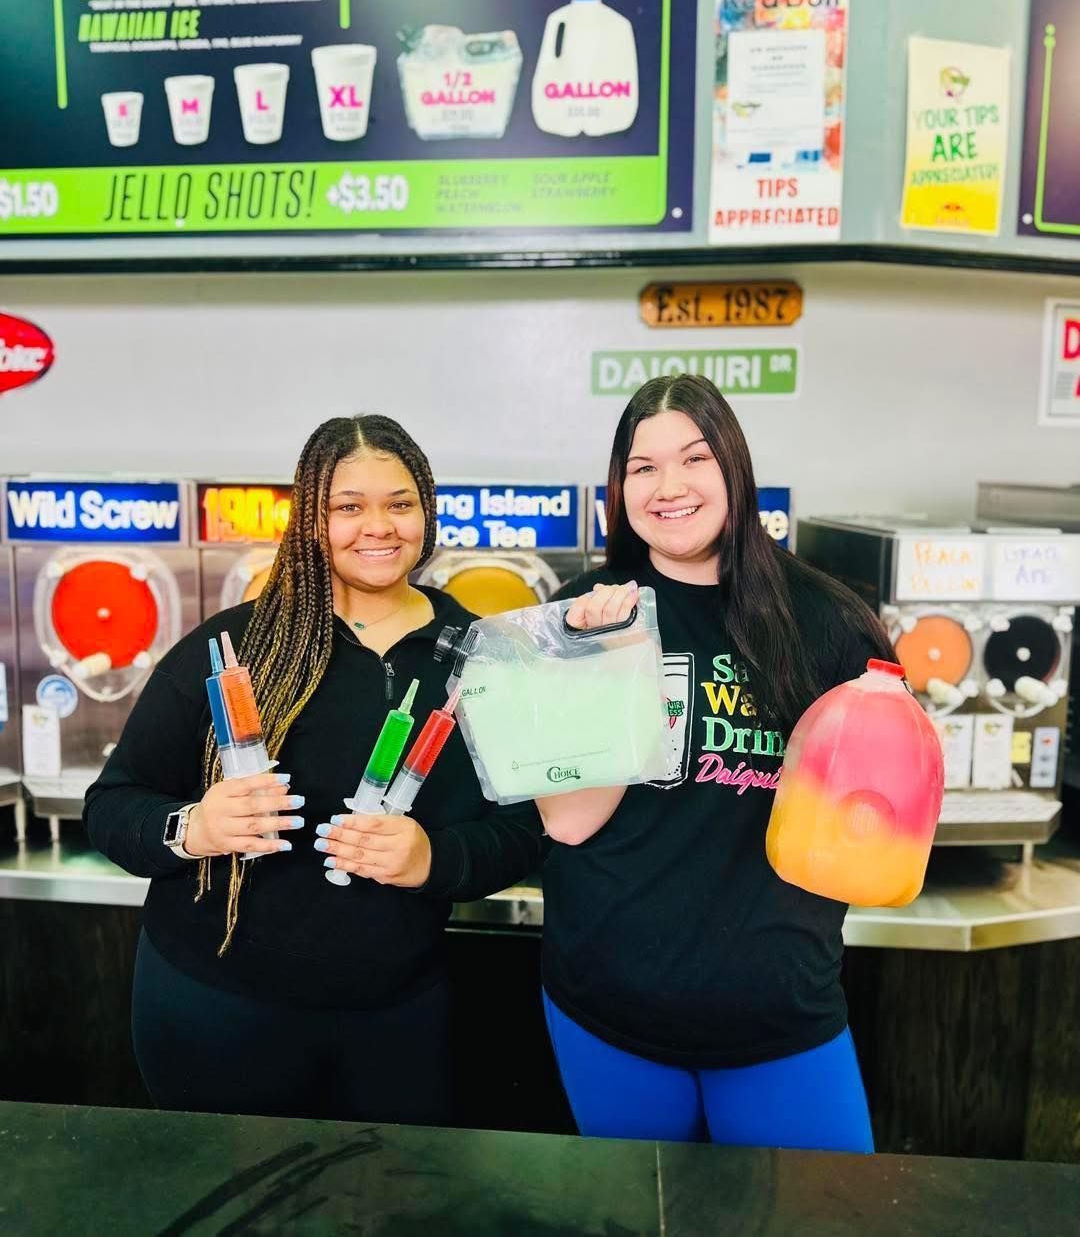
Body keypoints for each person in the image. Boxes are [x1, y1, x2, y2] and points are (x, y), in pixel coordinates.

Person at [84, 414, 546, 1125]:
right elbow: (113, 807)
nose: (378, 527)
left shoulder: (482, 655)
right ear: (311, 519)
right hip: (213, 1007)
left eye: (399, 503)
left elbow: (522, 828)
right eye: (346, 507)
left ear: (426, 507)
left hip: (396, 1018)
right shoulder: (237, 646)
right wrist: (194, 826)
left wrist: (436, 857)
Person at [538, 375, 894, 1151]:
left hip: (780, 1011)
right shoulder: (580, 614)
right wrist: (607, 661)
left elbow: (871, 831)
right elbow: (569, 822)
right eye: (643, 468)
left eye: (694, 458)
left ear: (733, 466)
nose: (670, 487)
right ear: (619, 487)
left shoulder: (831, 622)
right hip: (610, 1007)